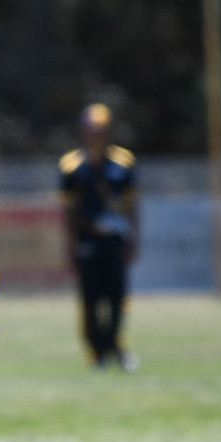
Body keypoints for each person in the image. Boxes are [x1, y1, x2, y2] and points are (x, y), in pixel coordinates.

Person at [59, 103, 139, 369]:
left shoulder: (124, 163)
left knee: (117, 299)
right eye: (92, 131)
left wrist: (134, 238)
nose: (96, 136)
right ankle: (97, 353)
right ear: (84, 132)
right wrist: (70, 247)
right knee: (90, 301)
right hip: (87, 243)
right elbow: (68, 212)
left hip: (114, 242)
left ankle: (115, 346)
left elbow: (133, 206)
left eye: (101, 130)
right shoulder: (71, 166)